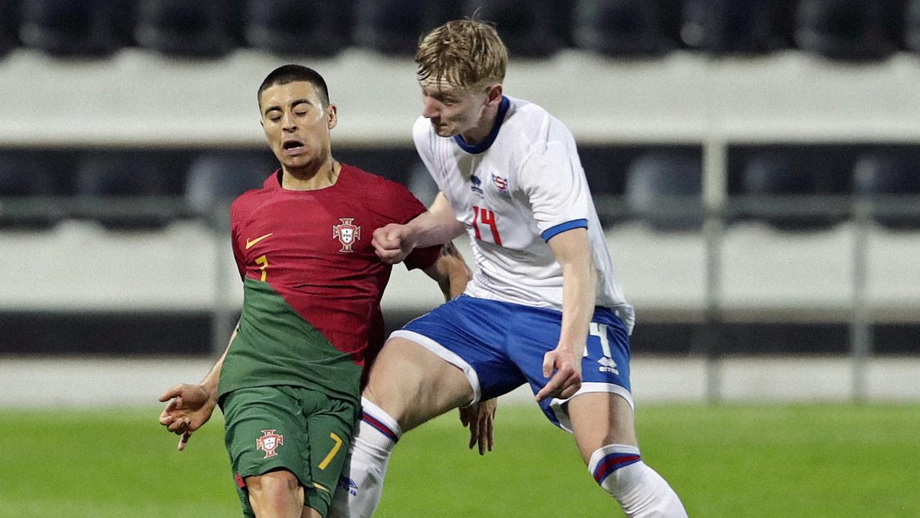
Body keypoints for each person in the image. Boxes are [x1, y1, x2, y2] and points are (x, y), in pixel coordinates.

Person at [328, 20, 688, 518]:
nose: (429, 110)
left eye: (446, 99)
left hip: (567, 312)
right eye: (426, 93)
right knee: (373, 414)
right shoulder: (433, 132)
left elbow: (577, 262)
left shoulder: (537, 144)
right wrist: (413, 233)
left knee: (615, 465)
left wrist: (569, 346)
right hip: (488, 305)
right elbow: (462, 205)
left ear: (492, 95)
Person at [157, 64, 470, 518]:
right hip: (259, 383)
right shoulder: (248, 211)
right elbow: (261, 313)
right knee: (276, 492)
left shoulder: (383, 201)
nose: (288, 123)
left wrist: (475, 373)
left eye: (300, 110)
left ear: (331, 116)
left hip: (335, 393)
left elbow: (455, 273)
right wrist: (210, 388)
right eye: (274, 115)